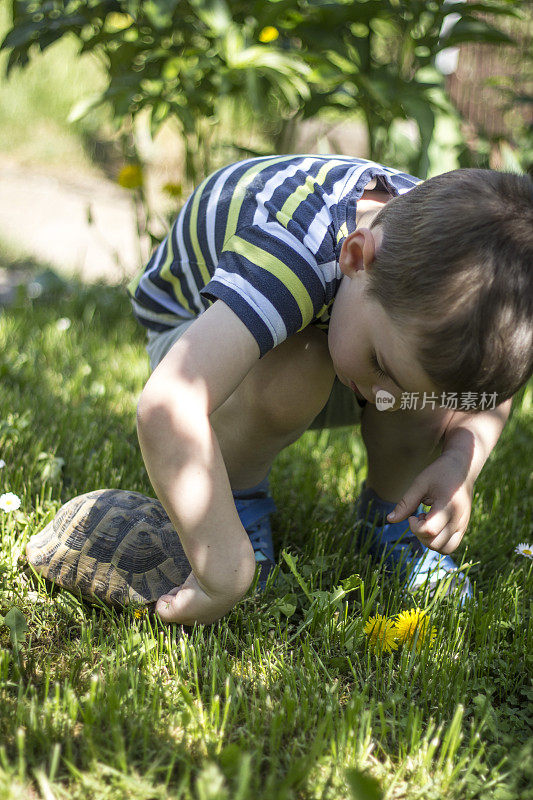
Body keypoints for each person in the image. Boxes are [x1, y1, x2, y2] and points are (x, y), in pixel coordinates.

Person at [128, 154, 533, 625]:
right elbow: (168, 404)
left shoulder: (452, 286)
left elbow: (484, 393)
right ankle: (235, 504)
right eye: (380, 364)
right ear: (356, 257)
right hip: (199, 333)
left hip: (331, 327)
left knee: (420, 385)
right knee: (300, 368)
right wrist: (222, 567)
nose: (389, 399)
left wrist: (460, 458)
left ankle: (390, 519)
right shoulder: (293, 249)